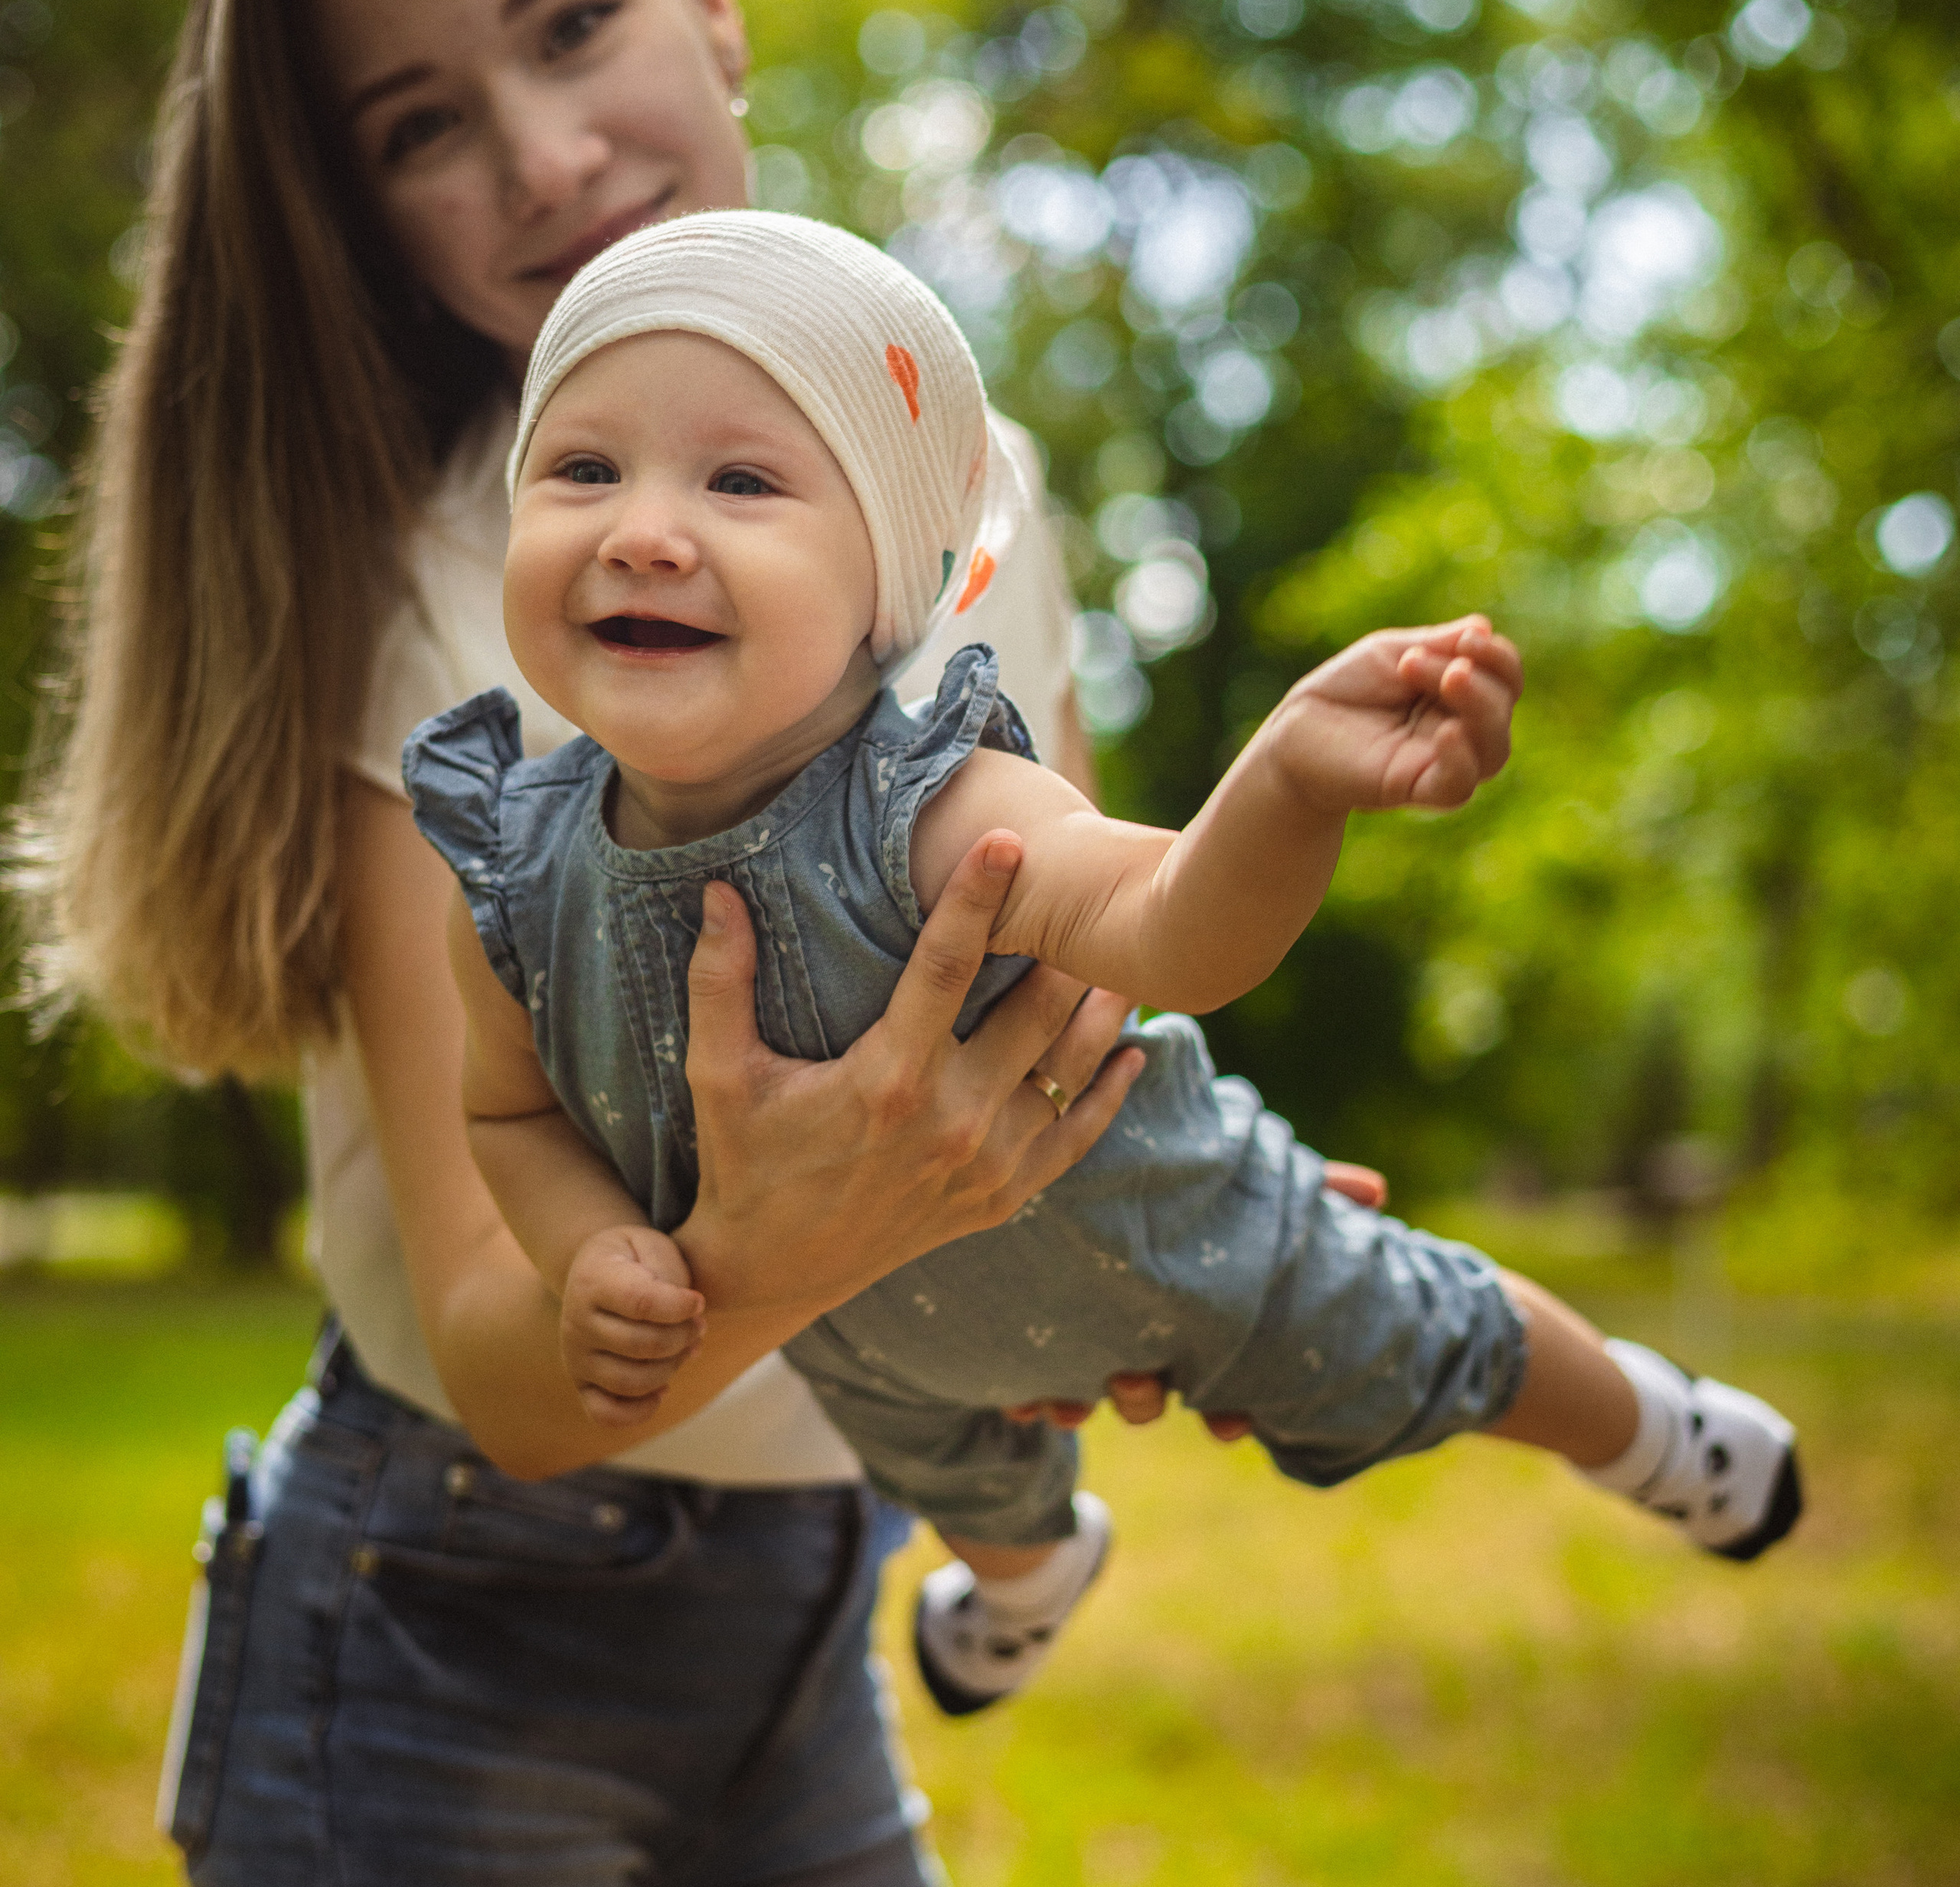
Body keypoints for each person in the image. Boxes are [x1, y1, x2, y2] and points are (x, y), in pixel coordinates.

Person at [7, 0, 1282, 1887]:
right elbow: (508, 1335)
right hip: (448, 1642)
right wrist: (804, 1233)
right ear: (355, 219)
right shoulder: (454, 584)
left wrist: (1197, 1253)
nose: (550, 150)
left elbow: (1051, 1030)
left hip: (785, 1631)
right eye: (421, 130)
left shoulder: (978, 493)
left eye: (580, 22)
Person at [406, 207, 1805, 1726]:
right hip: (862, 1327)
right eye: (583, 469)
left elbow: (1164, 927)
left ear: (893, 587)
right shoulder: (509, 871)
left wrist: (1282, 787)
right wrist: (589, 1248)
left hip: (1154, 1224)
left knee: (1422, 1332)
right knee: (958, 1480)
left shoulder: (929, 805)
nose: (641, 529)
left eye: (741, 479)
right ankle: (1028, 1582)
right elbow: (512, 1119)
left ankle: (1645, 1432)